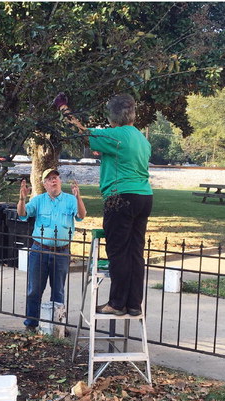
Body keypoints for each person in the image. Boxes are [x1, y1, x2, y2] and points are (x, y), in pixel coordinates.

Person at [54, 93, 152, 317]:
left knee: (117, 250)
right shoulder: (141, 139)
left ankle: (117, 303)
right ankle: (134, 303)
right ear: (133, 115)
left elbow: (82, 133)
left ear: (112, 118)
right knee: (135, 251)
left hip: (121, 197)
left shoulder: (115, 136)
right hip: (145, 196)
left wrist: (63, 107)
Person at [17, 168, 87, 330]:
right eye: (49, 179)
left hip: (62, 252)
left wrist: (78, 198)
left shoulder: (70, 200)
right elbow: (22, 214)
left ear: (60, 181)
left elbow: (81, 216)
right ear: (44, 184)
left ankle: (57, 327)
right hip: (39, 250)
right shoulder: (38, 200)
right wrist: (22, 199)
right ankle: (31, 324)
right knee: (34, 289)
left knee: (58, 291)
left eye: (55, 178)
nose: (53, 181)